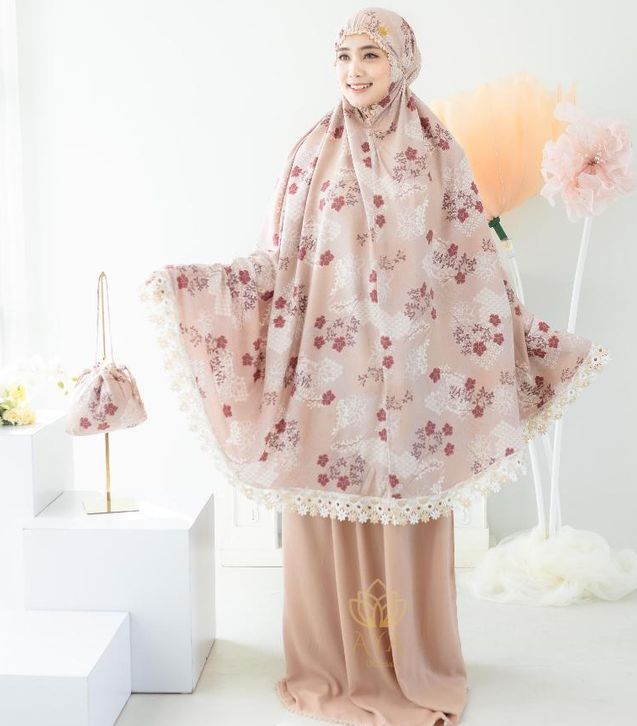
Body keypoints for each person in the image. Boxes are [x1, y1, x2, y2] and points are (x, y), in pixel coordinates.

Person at [139, 7, 610, 724]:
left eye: (371, 55)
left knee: (409, 513)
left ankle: (411, 664)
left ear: (401, 62)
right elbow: (281, 262)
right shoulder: (311, 150)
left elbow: (469, 264)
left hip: (411, 380)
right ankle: (332, 664)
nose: (355, 70)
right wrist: (197, 284)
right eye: (345, 55)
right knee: (324, 504)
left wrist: (514, 336)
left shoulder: (438, 150)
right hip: (326, 380)